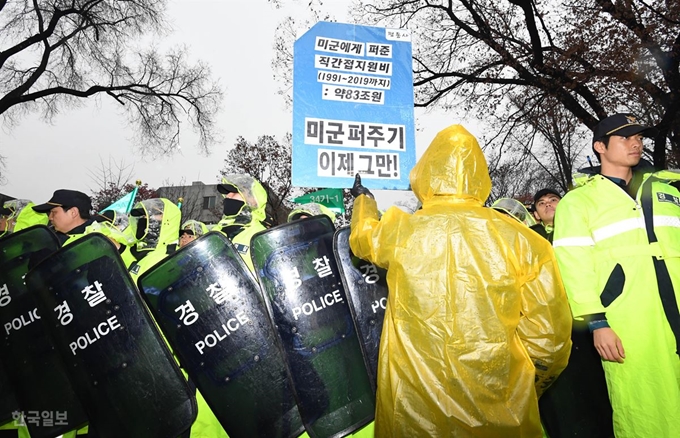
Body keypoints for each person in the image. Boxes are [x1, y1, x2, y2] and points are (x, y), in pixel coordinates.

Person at [350, 124, 572, 437]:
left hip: (417, 413)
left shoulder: (400, 232)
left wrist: (364, 202)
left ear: (426, 171)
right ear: (479, 173)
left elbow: (362, 238)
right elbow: (550, 340)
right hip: (501, 408)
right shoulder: (525, 241)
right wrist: (525, 387)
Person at [553, 113, 680, 437]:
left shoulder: (668, 192)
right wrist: (597, 322)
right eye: (624, 138)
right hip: (630, 320)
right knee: (644, 404)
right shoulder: (578, 202)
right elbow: (574, 265)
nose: (635, 142)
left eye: (638, 136)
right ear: (600, 147)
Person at [214, 174, 267, 272]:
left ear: (253, 200)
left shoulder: (261, 236)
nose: (228, 196)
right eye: (227, 193)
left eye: (234, 192)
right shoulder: (215, 231)